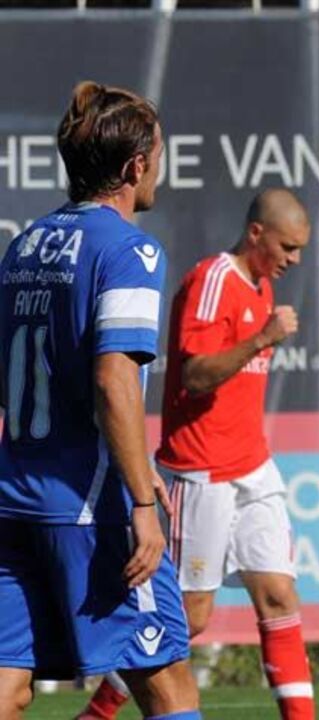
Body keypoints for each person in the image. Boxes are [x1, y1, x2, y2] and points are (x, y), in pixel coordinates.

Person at [0, 82, 200, 718]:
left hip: (12, 499)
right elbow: (115, 379)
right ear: (136, 164)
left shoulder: (23, 246)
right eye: (159, 153)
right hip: (90, 507)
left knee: (7, 684)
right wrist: (143, 500)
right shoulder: (129, 250)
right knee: (166, 681)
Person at [78, 188, 313, 720]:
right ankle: (96, 715)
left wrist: (261, 332)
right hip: (200, 470)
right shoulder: (213, 280)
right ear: (256, 233)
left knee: (279, 594)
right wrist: (260, 339)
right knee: (188, 617)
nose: (293, 260)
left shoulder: (262, 286)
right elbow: (196, 373)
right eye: (288, 246)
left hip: (253, 466)